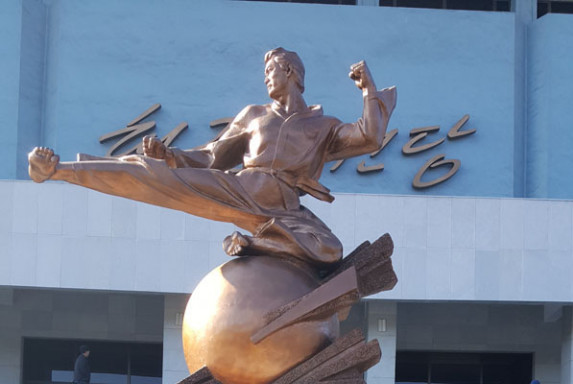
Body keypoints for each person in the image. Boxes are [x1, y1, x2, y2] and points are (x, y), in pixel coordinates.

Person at [28, 49, 396, 267]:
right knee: (152, 174)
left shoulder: (322, 124)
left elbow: (369, 136)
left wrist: (368, 90)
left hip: (284, 211)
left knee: (331, 250)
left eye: (270, 70)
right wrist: (169, 155)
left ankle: (252, 244)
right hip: (240, 189)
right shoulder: (254, 115)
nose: (266, 78)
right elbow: (211, 156)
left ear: (290, 72)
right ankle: (58, 170)